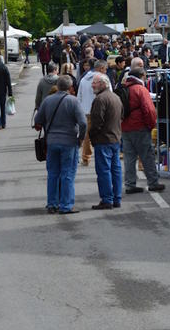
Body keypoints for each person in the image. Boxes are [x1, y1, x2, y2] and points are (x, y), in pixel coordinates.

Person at [34, 75, 87, 214]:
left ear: (57, 86)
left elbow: (38, 119)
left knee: (53, 173)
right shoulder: (73, 101)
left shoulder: (48, 100)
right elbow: (83, 122)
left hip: (52, 141)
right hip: (69, 141)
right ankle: (66, 205)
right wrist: (80, 138)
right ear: (70, 87)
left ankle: (52, 203)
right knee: (67, 174)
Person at [121, 67, 165, 193]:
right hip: (140, 127)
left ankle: (130, 184)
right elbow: (149, 110)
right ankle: (153, 182)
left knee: (129, 158)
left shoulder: (125, 88)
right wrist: (151, 125)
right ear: (141, 76)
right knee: (147, 156)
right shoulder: (141, 89)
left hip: (125, 127)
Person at [89, 72, 123, 210]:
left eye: (95, 82)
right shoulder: (115, 97)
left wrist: (92, 136)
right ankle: (116, 198)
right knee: (115, 170)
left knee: (104, 171)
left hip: (103, 139)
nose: (92, 85)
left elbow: (96, 122)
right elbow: (122, 116)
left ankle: (107, 199)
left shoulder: (100, 99)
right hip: (115, 138)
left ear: (103, 84)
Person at [77, 59, 109, 166]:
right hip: (101, 111)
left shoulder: (83, 79)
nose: (106, 71)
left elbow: (79, 97)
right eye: (105, 69)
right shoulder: (104, 79)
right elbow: (110, 95)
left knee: (87, 136)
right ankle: (104, 157)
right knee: (103, 134)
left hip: (86, 111)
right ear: (100, 68)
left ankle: (86, 158)